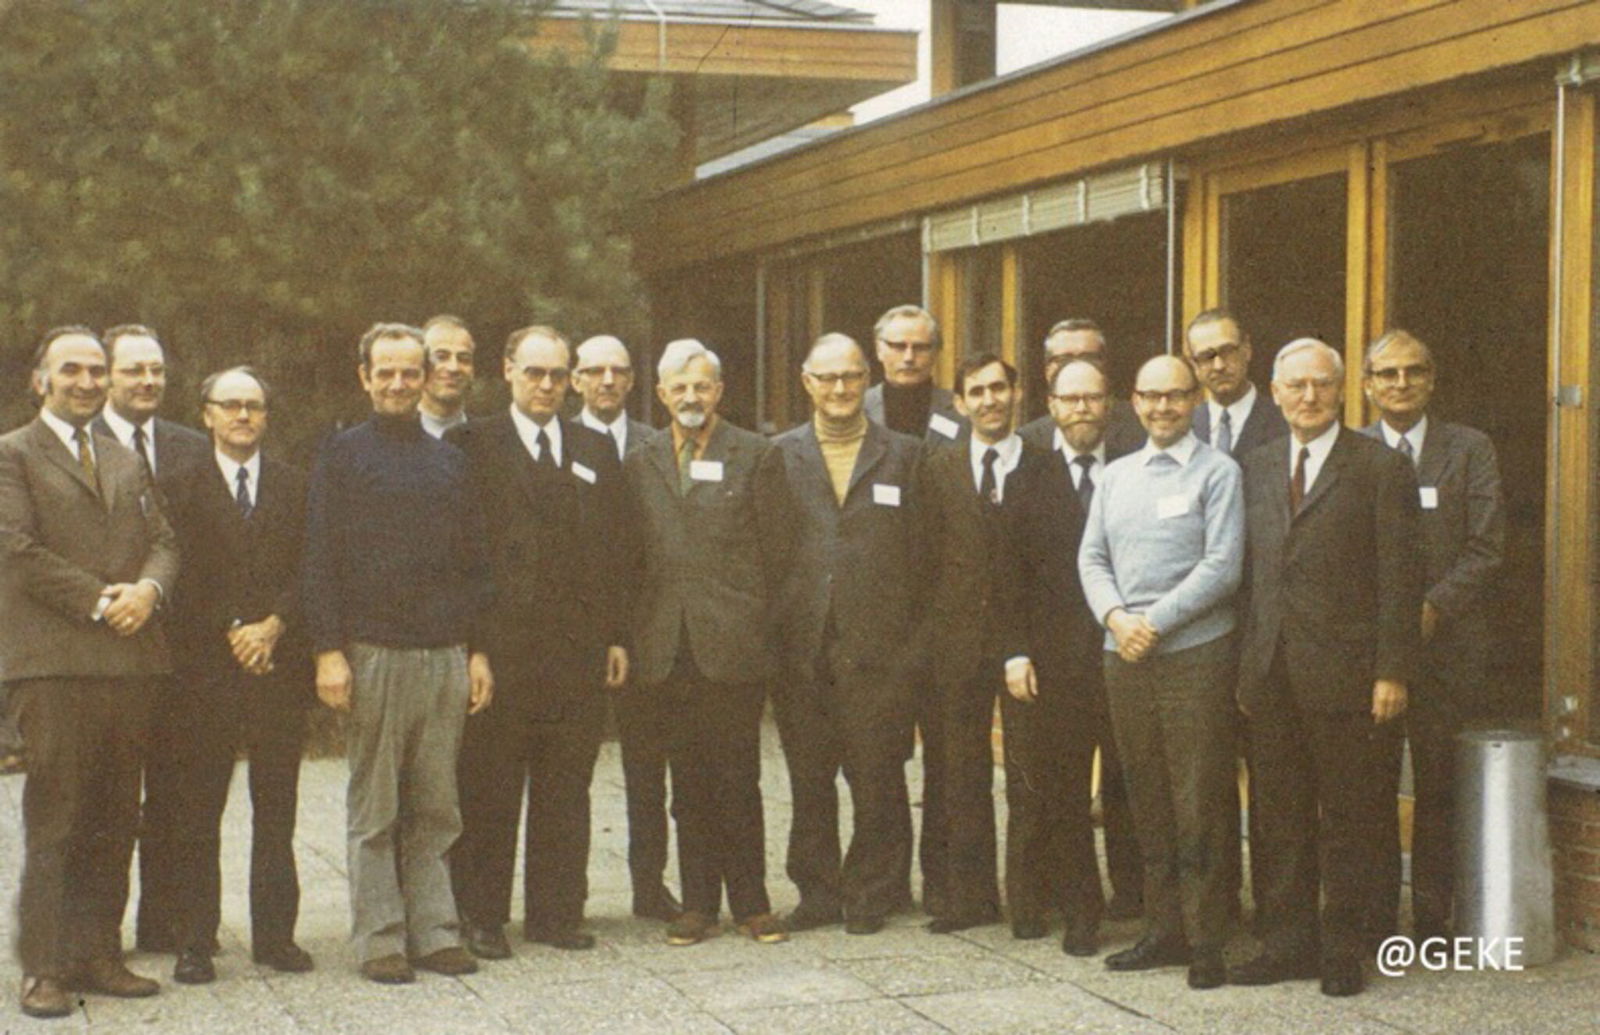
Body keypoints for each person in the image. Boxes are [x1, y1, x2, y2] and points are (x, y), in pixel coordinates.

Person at [1230, 338, 1422, 998]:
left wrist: (1391, 670)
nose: (1307, 396)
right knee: (1278, 815)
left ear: (1342, 391)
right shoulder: (1253, 465)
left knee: (1350, 817)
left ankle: (1344, 945)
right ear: (1276, 393)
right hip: (1272, 673)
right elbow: (1249, 574)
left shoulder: (1377, 466)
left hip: (1349, 675)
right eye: (1295, 386)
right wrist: (1245, 669)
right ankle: (1286, 940)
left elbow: (1401, 577)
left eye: (1320, 384)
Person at [303, 322, 493, 984]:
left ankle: (436, 929)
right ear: (364, 376)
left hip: (443, 653)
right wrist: (329, 650)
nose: (397, 382)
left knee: (437, 804)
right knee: (375, 804)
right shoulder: (342, 455)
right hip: (373, 651)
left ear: (427, 375)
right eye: (384, 371)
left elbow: (475, 567)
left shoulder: (451, 462)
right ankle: (381, 936)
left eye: (409, 371)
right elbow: (318, 558)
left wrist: (477, 650)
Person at [2, 326, 177, 1018]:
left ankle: (100, 951)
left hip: (130, 664)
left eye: (94, 370)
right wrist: (103, 600)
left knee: (115, 814)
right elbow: (14, 548)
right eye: (69, 369)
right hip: (57, 664)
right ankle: (44, 967)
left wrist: (149, 592)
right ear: (39, 379)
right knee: (58, 817)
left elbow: (164, 539)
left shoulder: (123, 455)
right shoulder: (13, 455)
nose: (85, 381)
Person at [448, 326, 629, 957]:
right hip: (500, 653)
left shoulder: (594, 448)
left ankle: (556, 913)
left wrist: (614, 636)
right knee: (490, 788)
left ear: (573, 378)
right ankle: (482, 917)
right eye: (535, 373)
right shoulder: (471, 445)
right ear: (507, 372)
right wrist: (472, 650)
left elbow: (614, 552)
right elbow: (459, 556)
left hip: (575, 652)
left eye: (558, 374)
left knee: (566, 789)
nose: (547, 385)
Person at [1077, 355, 1244, 990]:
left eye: (1175, 396)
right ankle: (1165, 927)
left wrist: (1155, 621)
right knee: (1144, 796)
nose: (1162, 408)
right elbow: (1092, 556)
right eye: (1150, 396)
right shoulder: (1116, 476)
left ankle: (1207, 938)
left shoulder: (1217, 472)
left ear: (1195, 399)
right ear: (1134, 402)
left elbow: (1223, 565)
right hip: (1124, 656)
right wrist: (1118, 618)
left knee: (1197, 797)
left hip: (1194, 654)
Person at [624, 339, 789, 947]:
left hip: (733, 642)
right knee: (686, 781)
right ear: (662, 394)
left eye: (702, 386)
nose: (691, 397)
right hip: (666, 643)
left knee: (738, 779)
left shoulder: (756, 454)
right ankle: (697, 904)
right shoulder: (639, 459)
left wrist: (761, 629)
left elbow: (778, 551)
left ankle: (752, 901)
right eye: (679, 387)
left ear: (719, 391)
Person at [766, 332, 925, 935]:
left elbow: (922, 553)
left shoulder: (906, 455)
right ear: (807, 382)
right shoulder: (776, 455)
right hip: (801, 643)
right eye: (827, 378)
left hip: (878, 646)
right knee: (809, 778)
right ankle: (817, 892)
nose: (839, 389)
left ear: (868, 380)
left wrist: (911, 644)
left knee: (876, 774)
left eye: (851, 377)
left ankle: (872, 890)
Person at [162, 367, 315, 984]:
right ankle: (195, 940)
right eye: (231, 406)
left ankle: (275, 936)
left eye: (254, 407)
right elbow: (176, 569)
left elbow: (313, 564)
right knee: (198, 810)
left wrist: (275, 624)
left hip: (278, 667)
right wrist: (233, 628)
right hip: (207, 670)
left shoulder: (295, 485)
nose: (244, 417)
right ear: (206, 414)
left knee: (276, 809)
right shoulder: (180, 485)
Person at [1358, 329, 1504, 943]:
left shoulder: (1468, 449)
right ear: (1366, 386)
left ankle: (1432, 920)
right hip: (1369, 652)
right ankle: (1372, 916)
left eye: (1413, 372)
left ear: (1432, 380)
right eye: (1387, 374)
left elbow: (1487, 544)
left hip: (1447, 650)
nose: (1400, 384)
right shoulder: (1350, 451)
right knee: (1369, 784)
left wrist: (1432, 606)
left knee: (1439, 785)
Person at [1006, 358, 1142, 957]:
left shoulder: (1136, 472)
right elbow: (1007, 577)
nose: (1083, 408)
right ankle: (1081, 910)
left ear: (1108, 404)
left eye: (1093, 397)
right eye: (1071, 398)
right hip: (1055, 662)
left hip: (1128, 655)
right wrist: (1015, 653)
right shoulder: (1026, 478)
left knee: (1130, 783)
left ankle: (1137, 899)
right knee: (1063, 791)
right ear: (1052, 406)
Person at [916, 351, 1047, 933]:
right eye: (978, 391)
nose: (990, 399)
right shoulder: (937, 468)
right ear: (960, 403)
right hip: (956, 644)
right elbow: (922, 558)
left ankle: (1028, 901)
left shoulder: (1045, 468)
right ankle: (969, 898)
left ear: (1017, 394)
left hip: (1027, 646)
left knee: (1027, 772)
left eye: (1000, 387)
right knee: (960, 774)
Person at [90, 324, 210, 955]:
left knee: (177, 792)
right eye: (134, 370)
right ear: (108, 376)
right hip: (108, 643)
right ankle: (98, 935)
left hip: (182, 653)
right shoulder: (83, 442)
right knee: (109, 798)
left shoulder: (191, 447)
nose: (148, 381)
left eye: (157, 370)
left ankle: (164, 924)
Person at [573, 333, 678, 921]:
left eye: (618, 371)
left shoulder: (657, 445)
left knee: (646, 770)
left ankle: (649, 884)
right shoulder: (560, 443)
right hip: (579, 633)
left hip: (646, 631)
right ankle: (570, 889)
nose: (607, 381)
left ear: (634, 381)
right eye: (595, 371)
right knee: (572, 771)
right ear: (576, 381)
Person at [1016, 319, 1143, 455]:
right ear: (1048, 371)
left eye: (1087, 357)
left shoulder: (1140, 429)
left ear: (1105, 366)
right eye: (1064, 359)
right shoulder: (1025, 442)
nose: (1075, 366)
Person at [1184, 309, 1289, 457]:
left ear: (1247, 349)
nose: (1219, 366)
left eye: (1227, 351)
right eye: (1206, 357)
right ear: (1194, 365)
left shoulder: (1284, 422)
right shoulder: (1184, 429)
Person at [863, 305, 964, 443]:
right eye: (899, 347)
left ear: (936, 352)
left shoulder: (961, 410)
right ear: (879, 350)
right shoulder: (859, 408)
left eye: (920, 347)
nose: (909, 357)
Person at [418, 315, 476, 439]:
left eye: (464, 359)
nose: (453, 368)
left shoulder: (488, 441)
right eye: (441, 357)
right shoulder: (393, 438)